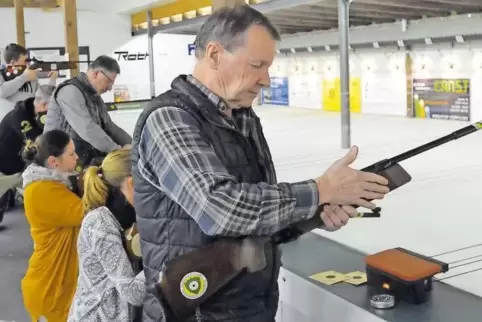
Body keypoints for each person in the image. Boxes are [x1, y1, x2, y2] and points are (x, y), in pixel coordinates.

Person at [131, 4, 389, 321]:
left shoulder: (243, 119)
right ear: (214, 55)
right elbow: (220, 210)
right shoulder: (169, 119)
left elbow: (256, 222)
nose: (266, 79)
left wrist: (317, 212)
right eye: (257, 65)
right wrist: (320, 190)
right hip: (201, 313)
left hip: (250, 307)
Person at [68, 148, 146, 322]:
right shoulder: (100, 224)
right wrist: (166, 258)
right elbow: (132, 292)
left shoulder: (129, 215)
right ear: (132, 183)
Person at [21, 129, 83, 322]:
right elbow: (87, 212)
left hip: (53, 283)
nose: (77, 157)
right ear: (53, 162)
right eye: (71, 154)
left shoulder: (50, 183)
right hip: (51, 288)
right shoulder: (42, 190)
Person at [44, 55, 132, 171]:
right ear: (96, 74)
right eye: (109, 81)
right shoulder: (70, 91)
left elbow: (109, 126)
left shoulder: (94, 96)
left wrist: (133, 145)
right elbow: (87, 128)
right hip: (58, 163)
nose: (110, 88)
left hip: (79, 159)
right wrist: (117, 151)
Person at [0, 84, 55, 220]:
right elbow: (39, 143)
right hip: (3, 171)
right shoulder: (20, 117)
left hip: (17, 169)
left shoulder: (35, 115)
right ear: (44, 105)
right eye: (56, 108)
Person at [0, 43, 57, 121]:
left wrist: (53, 79)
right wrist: (24, 77)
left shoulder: (31, 76)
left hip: (30, 121)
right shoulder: (2, 74)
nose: (27, 64)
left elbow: (43, 97)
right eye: (25, 61)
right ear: (13, 62)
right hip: (9, 123)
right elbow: (1, 92)